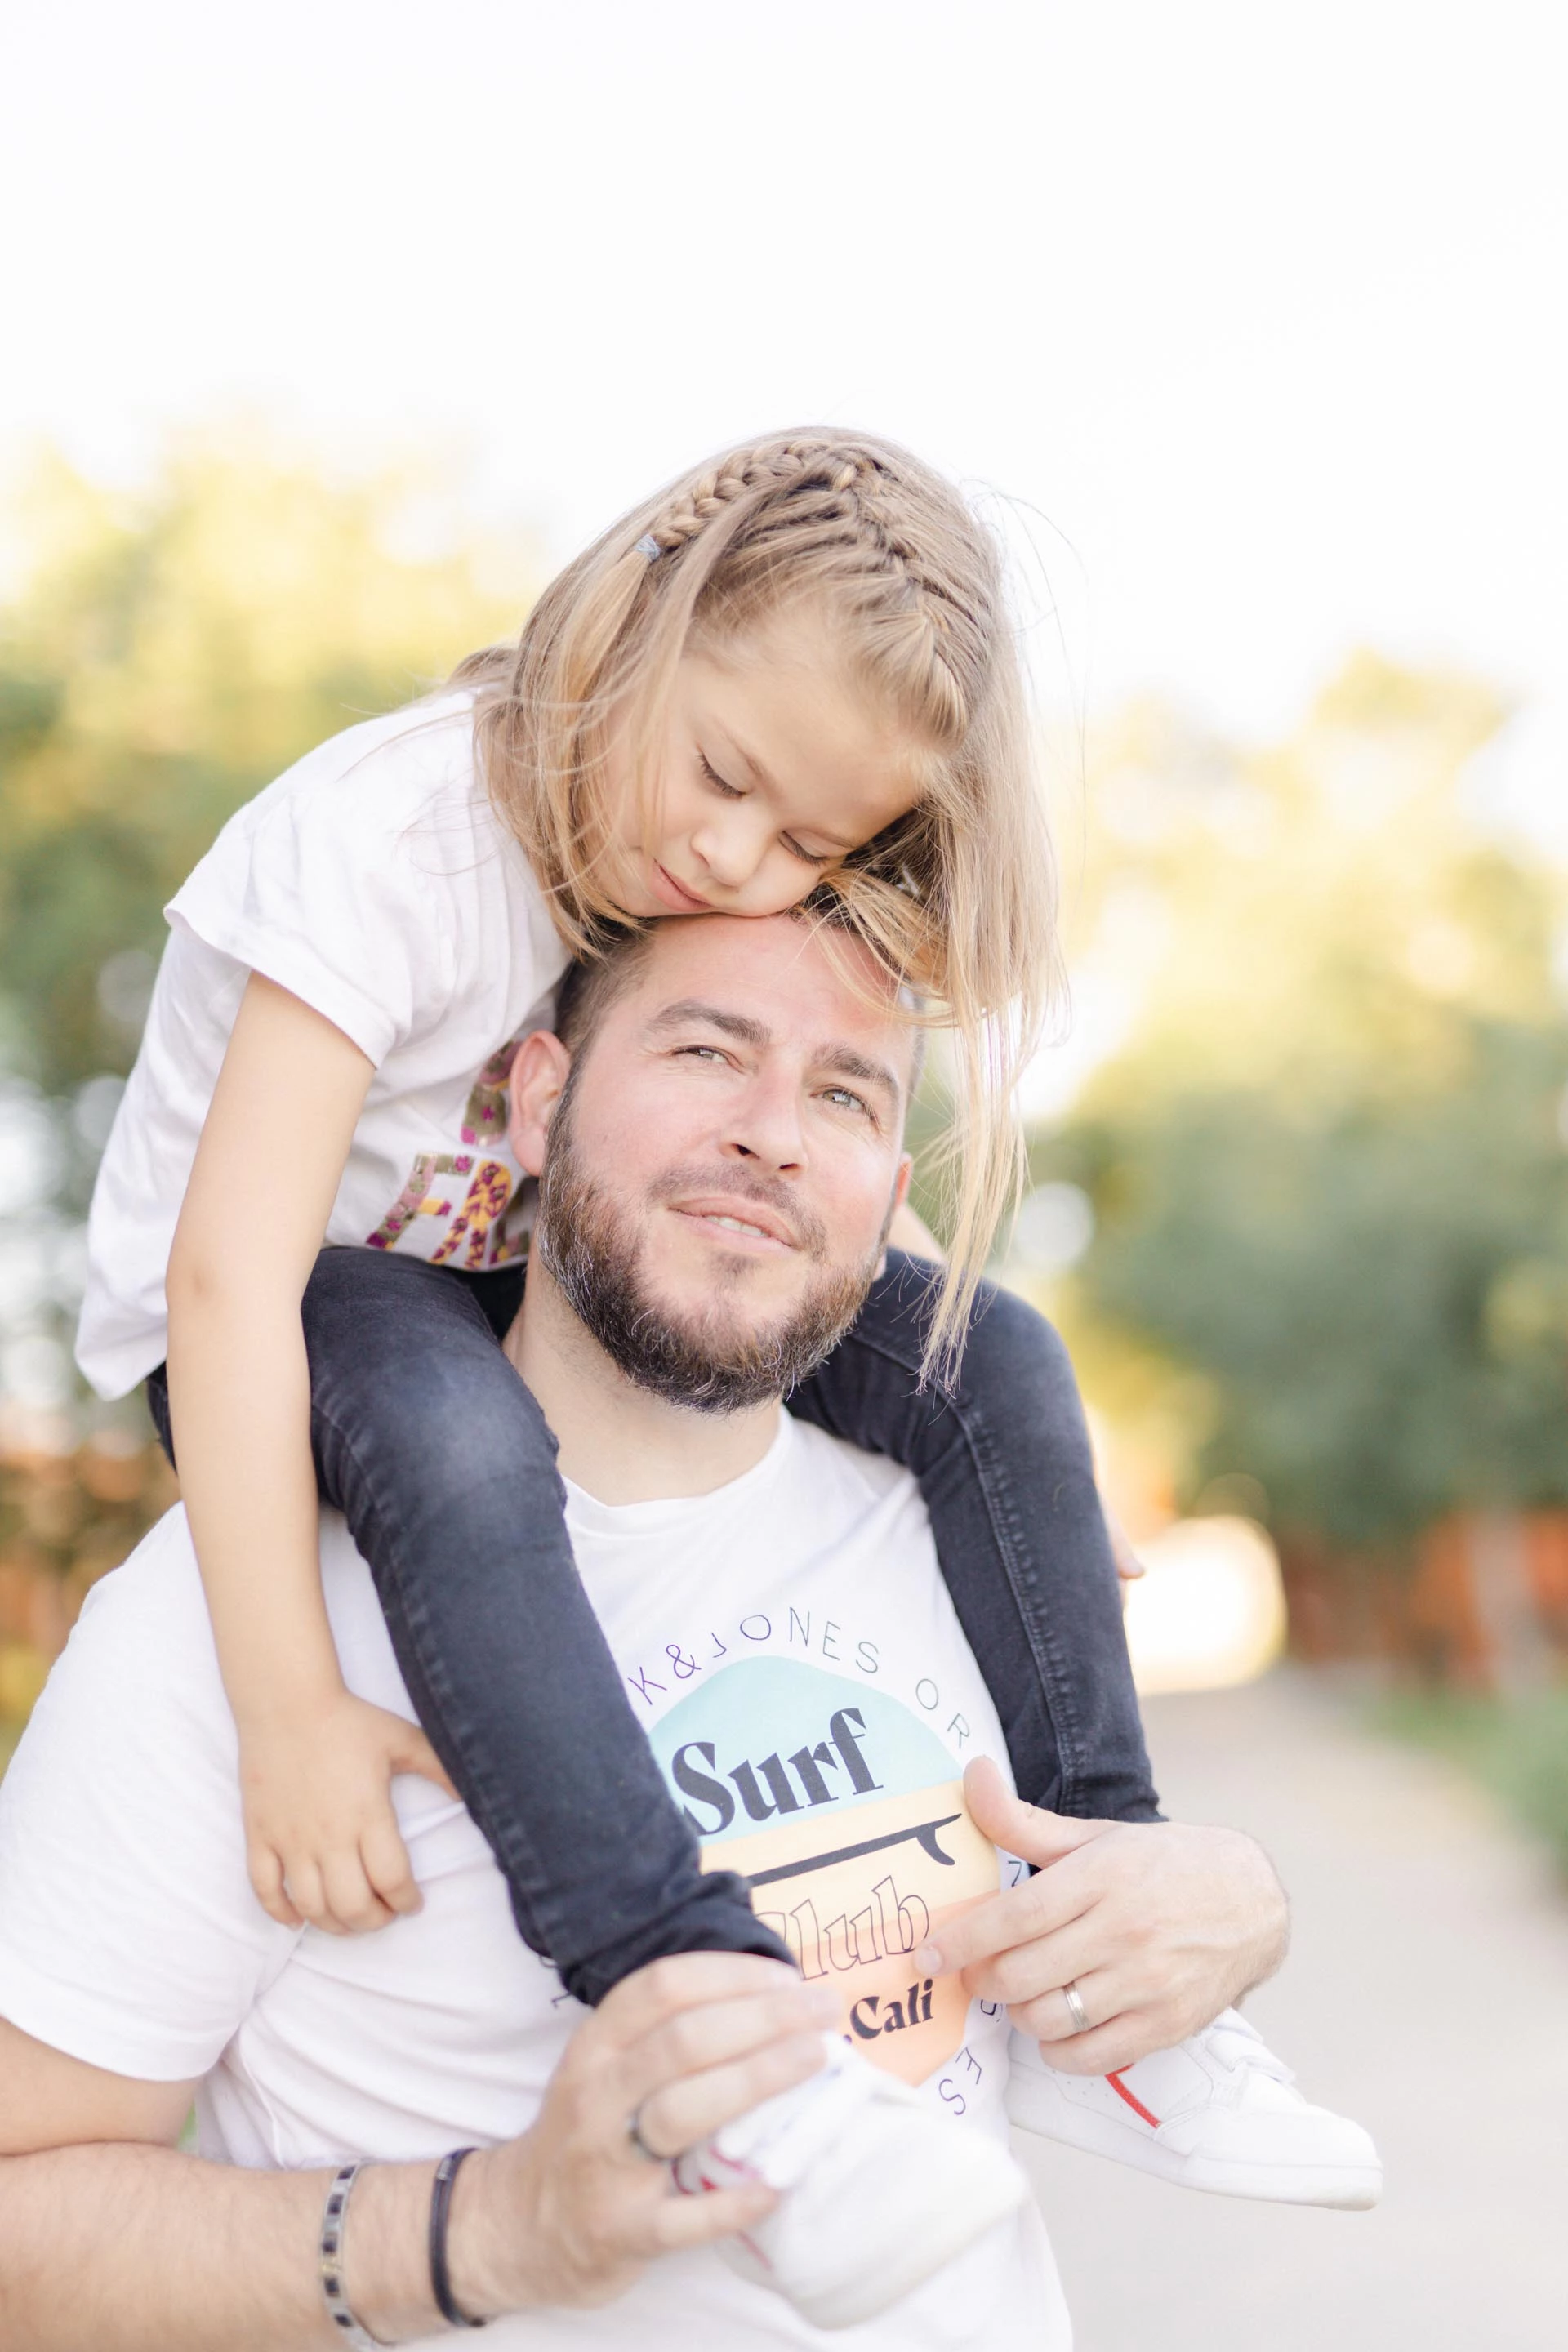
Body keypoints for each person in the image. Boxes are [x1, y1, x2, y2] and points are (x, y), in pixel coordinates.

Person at [0, 910, 1298, 2348]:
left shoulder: (948, 1521)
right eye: (705, 1050)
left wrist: (1233, 1897)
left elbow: (1107, 1890)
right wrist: (488, 2231)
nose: (775, 1135)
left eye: (845, 1094)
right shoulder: (240, 1617)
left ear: (887, 1194)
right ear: (538, 1100)